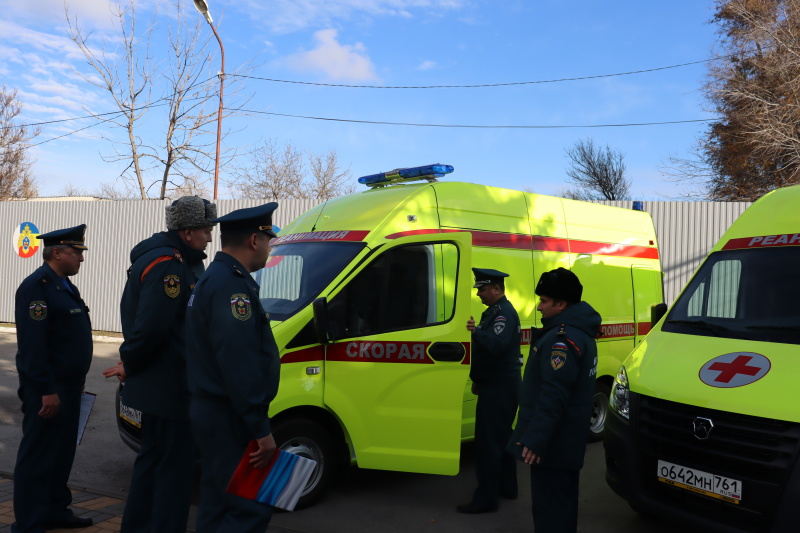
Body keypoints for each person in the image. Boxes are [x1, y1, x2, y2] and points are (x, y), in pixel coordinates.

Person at [102, 196, 216, 532]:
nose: (209, 237)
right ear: (187, 231)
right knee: (172, 476)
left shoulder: (166, 258)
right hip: (168, 391)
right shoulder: (169, 264)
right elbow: (152, 328)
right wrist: (131, 364)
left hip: (160, 388)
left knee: (151, 468)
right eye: (206, 230)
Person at [185, 202, 282, 533]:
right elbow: (238, 362)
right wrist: (260, 430)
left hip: (215, 414)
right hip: (231, 419)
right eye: (269, 240)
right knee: (247, 509)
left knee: (217, 504)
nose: (269, 249)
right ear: (255, 240)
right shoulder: (231, 285)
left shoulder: (216, 278)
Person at [12, 225, 94, 532]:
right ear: (56, 252)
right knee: (38, 456)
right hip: (48, 390)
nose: (81, 260)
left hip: (69, 387)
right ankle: (29, 522)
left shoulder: (63, 285)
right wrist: (46, 390)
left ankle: (56, 510)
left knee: (60, 454)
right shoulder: (38, 287)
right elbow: (33, 347)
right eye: (76, 253)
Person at [510, 267, 601, 533]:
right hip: (565, 443)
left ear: (561, 304)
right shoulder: (579, 330)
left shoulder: (562, 339)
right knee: (562, 507)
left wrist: (535, 439)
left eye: (544, 301)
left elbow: (554, 395)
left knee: (551, 513)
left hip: (554, 446)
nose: (539, 307)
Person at [457, 268, 522, 514]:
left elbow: (497, 346)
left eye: (482, 289)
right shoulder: (494, 311)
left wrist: (476, 332)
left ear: (496, 289)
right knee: (502, 439)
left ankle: (485, 499)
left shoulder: (503, 313)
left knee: (488, 445)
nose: (479, 294)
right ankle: (508, 487)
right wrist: (478, 379)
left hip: (499, 388)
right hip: (496, 384)